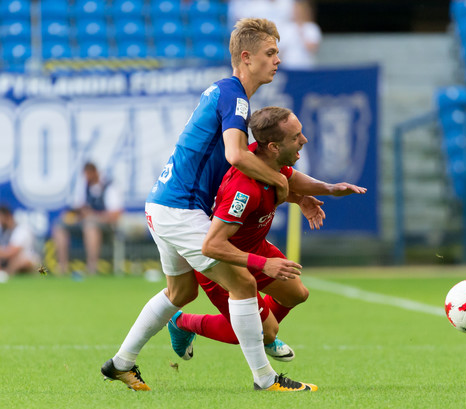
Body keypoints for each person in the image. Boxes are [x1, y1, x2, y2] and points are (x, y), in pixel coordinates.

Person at [101, 18, 317, 392]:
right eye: (270, 53)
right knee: (243, 281)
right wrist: (280, 181)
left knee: (180, 293)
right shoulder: (234, 96)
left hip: (164, 205)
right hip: (181, 208)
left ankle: (120, 363)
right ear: (246, 58)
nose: (277, 60)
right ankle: (266, 380)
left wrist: (298, 192)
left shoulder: (225, 93)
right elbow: (236, 155)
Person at [166, 106, 366, 365]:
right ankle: (183, 322)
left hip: (254, 247)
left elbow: (289, 178)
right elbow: (211, 245)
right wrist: (265, 264)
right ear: (273, 146)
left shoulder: (265, 159)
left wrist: (325, 190)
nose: (304, 140)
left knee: (296, 294)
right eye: (296, 137)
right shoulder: (243, 190)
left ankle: (259, 329)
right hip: (224, 263)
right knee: (265, 331)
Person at [52, 162, 123, 276]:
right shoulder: (84, 186)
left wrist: (93, 215)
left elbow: (114, 215)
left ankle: (92, 267)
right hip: (86, 221)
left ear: (95, 172)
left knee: (90, 225)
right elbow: (79, 206)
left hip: (106, 225)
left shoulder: (110, 186)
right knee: (60, 224)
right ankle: (62, 267)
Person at [277, 0, 322, 69]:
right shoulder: (286, 28)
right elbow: (280, 50)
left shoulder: (311, 27)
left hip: (306, 66)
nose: (298, 13)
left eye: (300, 10)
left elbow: (313, 48)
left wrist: (301, 33)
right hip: (288, 66)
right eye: (296, 10)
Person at [0, 206, 40, 282]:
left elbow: (12, 252)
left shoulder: (22, 229)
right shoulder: (5, 231)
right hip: (15, 263)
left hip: (37, 266)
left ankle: (6, 276)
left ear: (7, 216)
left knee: (18, 260)